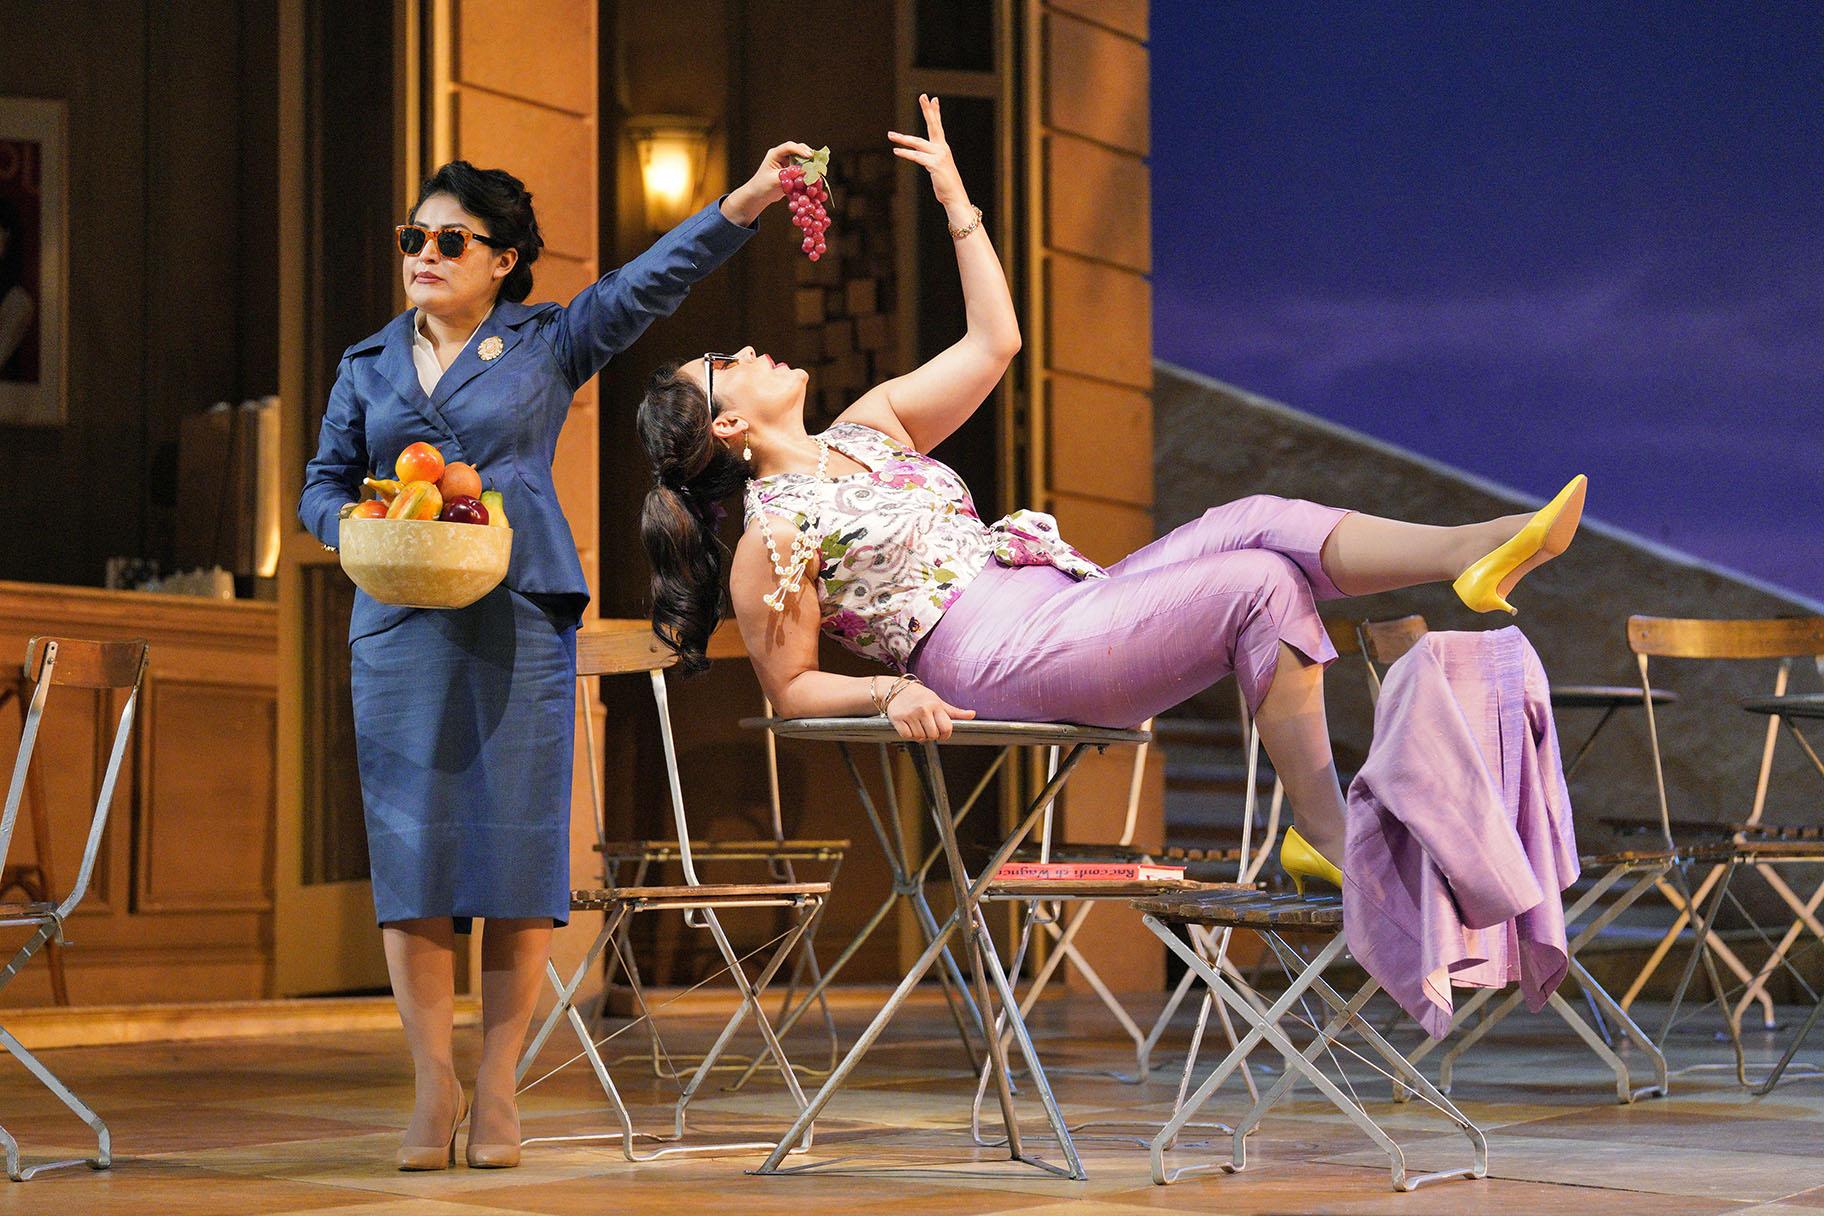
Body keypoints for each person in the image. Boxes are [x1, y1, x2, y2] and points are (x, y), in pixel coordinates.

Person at [637, 95, 1584, 912]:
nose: (745, 352)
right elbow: (788, 686)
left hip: (1057, 598)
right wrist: (890, 690)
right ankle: (1327, 829)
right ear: (726, 428)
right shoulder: (771, 533)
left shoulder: (867, 428)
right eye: (723, 367)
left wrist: (957, 202)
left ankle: (1476, 547)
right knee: (1256, 582)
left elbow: (996, 341)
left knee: (1254, 518)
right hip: (985, 652)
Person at [299, 144, 811, 1170]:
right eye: (415, 238)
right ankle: (429, 1084)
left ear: (504, 260)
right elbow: (320, 484)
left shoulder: (546, 342)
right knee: (414, 850)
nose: (425, 254)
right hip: (398, 621)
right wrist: (353, 521)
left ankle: (496, 1087)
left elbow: (642, 284)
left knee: (513, 845)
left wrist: (744, 204)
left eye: (451, 240)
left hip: (519, 611)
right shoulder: (368, 364)